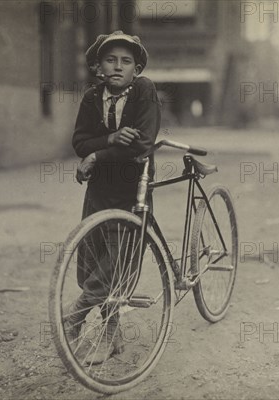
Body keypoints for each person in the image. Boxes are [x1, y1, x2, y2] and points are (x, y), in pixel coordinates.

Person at [66, 31, 161, 364]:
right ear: (98, 66)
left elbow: (142, 145)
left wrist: (98, 156)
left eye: (126, 61)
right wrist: (111, 137)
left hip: (131, 189)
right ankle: (114, 333)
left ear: (137, 68)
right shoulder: (93, 97)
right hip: (98, 192)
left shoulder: (144, 91)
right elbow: (79, 142)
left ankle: (77, 317)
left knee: (117, 263)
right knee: (93, 258)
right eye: (111, 60)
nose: (118, 67)